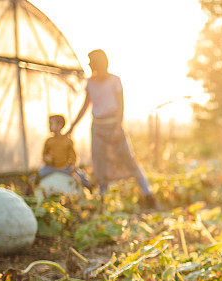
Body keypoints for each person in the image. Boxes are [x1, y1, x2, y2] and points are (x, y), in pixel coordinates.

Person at [66, 49, 158, 209]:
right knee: (100, 162)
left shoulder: (115, 80)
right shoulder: (91, 83)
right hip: (98, 126)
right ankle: (103, 199)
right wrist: (72, 126)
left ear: (99, 62)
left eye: (91, 61)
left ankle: (148, 194)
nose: (89, 64)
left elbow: (121, 106)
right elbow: (85, 106)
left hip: (113, 125)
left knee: (128, 159)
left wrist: (117, 126)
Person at [40, 114, 91, 189]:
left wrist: (73, 165)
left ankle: (89, 188)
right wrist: (46, 159)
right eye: (49, 124)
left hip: (65, 168)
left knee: (82, 177)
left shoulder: (67, 141)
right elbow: (44, 154)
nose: (49, 126)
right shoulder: (48, 141)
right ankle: (30, 192)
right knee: (37, 176)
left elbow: (73, 155)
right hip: (51, 168)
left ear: (60, 125)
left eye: (51, 124)